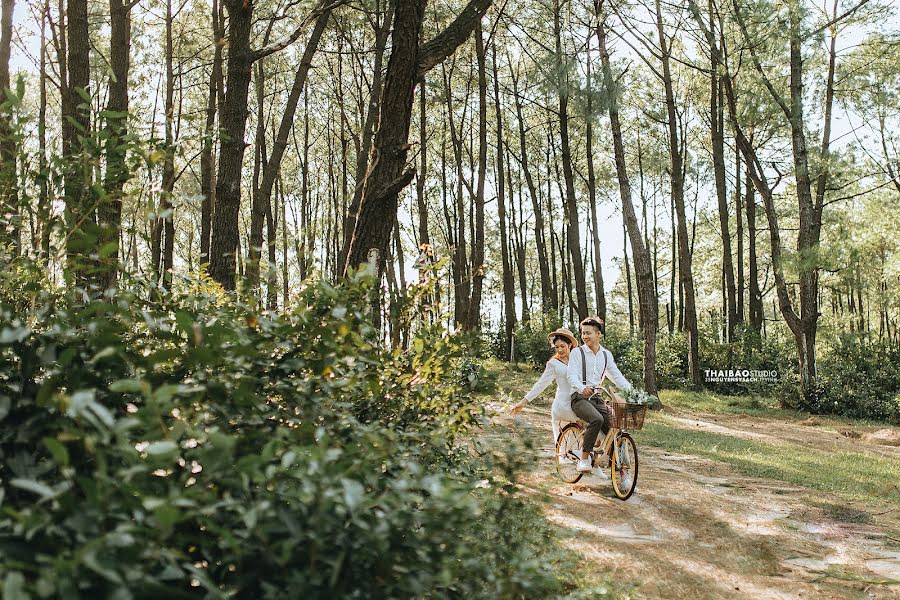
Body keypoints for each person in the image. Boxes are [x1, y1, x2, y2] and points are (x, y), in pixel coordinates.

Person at [567, 316, 633, 474]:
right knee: (597, 419)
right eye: (583, 333)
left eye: (588, 333)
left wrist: (633, 393)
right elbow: (571, 376)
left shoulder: (606, 355)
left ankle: (620, 470)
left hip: (597, 398)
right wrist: (582, 388)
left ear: (598, 334)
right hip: (579, 398)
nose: (584, 336)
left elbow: (616, 376)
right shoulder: (577, 353)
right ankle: (583, 459)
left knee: (616, 425)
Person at [511, 327, 581, 447]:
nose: (559, 350)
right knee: (569, 444)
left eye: (562, 346)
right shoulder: (553, 364)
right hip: (563, 404)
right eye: (557, 347)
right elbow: (541, 384)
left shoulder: (578, 360)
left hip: (579, 400)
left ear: (570, 345)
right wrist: (523, 402)